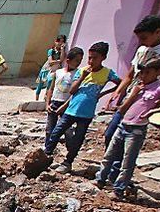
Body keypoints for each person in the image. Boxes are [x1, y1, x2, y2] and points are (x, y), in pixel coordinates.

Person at [96, 57, 160, 198]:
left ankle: (119, 189)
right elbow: (122, 110)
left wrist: (154, 111)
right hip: (123, 124)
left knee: (127, 162)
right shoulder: (139, 86)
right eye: (142, 73)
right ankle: (100, 179)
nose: (143, 76)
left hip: (136, 130)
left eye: (147, 72)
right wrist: (134, 94)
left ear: (158, 72)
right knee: (109, 155)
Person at [103, 15, 160, 148]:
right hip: (130, 95)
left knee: (125, 136)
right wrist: (117, 92)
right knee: (111, 133)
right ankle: (111, 164)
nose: (142, 41)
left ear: (157, 32)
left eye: (144, 38)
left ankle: (117, 166)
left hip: (144, 99)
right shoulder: (142, 49)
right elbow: (130, 75)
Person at [45, 41, 121, 174]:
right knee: (56, 132)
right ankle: (46, 156)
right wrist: (82, 78)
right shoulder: (82, 71)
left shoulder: (107, 73)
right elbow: (73, 91)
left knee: (77, 139)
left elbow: (120, 84)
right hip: (71, 110)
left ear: (103, 58)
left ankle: (68, 162)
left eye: (94, 58)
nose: (90, 61)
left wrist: (106, 94)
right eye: (89, 57)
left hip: (86, 114)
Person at [44, 46, 84, 139]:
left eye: (80, 60)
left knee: (67, 130)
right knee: (50, 129)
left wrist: (65, 106)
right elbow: (51, 89)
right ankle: (48, 149)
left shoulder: (78, 74)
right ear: (68, 60)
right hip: (54, 102)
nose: (79, 63)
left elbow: (76, 93)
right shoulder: (58, 72)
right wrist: (47, 104)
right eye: (76, 60)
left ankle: (70, 150)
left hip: (68, 105)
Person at [34, 34, 66, 100]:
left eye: (62, 42)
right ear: (55, 42)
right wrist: (59, 61)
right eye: (59, 41)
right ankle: (36, 99)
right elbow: (50, 62)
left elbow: (62, 59)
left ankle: (46, 98)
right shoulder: (51, 51)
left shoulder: (62, 52)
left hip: (54, 70)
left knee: (50, 82)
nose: (60, 43)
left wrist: (62, 50)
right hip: (46, 69)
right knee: (40, 85)